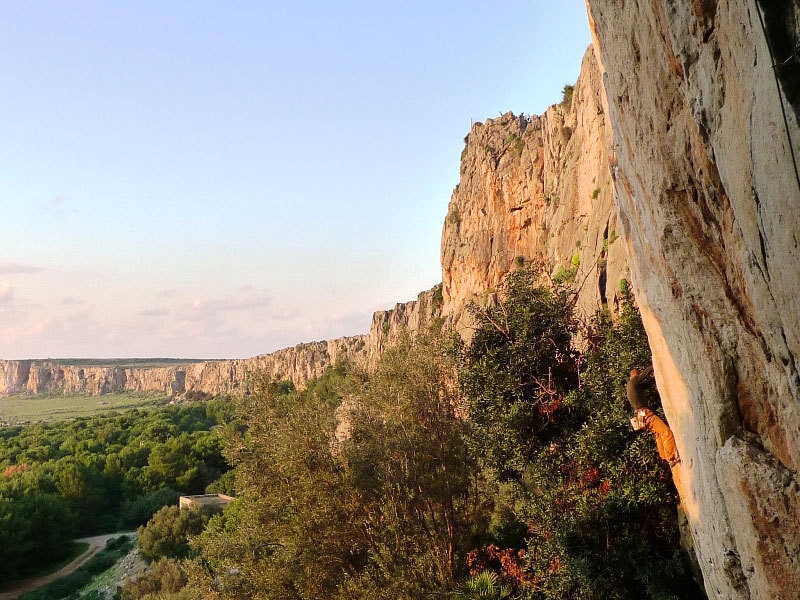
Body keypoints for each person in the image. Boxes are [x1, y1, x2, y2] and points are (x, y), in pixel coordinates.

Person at [627, 366, 680, 467]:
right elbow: (646, 372)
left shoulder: (632, 387)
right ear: (635, 375)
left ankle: (664, 455)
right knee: (666, 433)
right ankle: (671, 457)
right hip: (645, 414)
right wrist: (654, 366)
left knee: (658, 434)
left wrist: (656, 377)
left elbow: (647, 384)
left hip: (641, 416)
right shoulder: (633, 382)